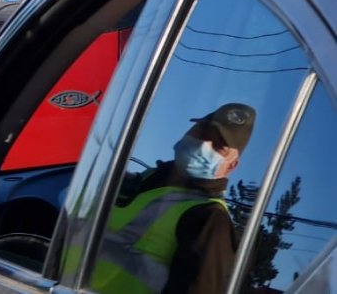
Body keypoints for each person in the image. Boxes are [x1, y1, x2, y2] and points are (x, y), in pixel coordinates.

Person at [92, 102, 257, 294]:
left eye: (219, 146)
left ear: (231, 166)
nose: (204, 144)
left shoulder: (209, 218)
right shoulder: (136, 181)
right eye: (202, 132)